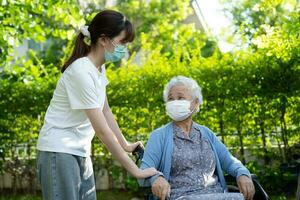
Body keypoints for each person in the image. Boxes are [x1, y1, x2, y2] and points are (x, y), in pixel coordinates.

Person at [36, 10, 158, 200]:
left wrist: (125, 145)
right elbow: (102, 130)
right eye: (122, 42)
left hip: (79, 150)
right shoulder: (81, 71)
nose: (125, 48)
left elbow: (105, 111)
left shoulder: (99, 69)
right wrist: (135, 171)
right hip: (58, 151)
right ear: (103, 40)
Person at [138, 76, 255, 200]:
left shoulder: (206, 133)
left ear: (196, 102)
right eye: (170, 99)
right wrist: (156, 178)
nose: (174, 102)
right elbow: (144, 170)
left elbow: (230, 162)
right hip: (181, 197)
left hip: (217, 195)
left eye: (180, 97)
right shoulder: (159, 136)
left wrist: (242, 173)